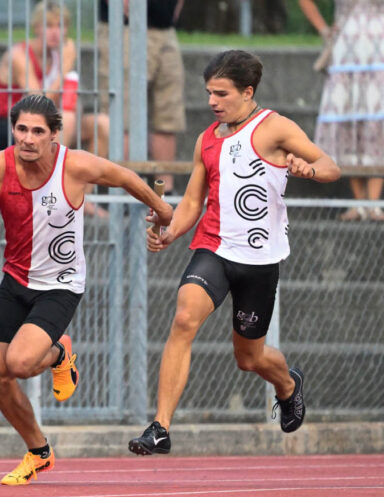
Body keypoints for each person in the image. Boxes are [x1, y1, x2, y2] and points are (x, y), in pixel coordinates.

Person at [0, 94, 172, 486]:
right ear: (12, 130)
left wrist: (163, 211)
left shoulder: (74, 165)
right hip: (15, 281)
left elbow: (126, 178)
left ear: (53, 135)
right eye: (21, 130)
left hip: (60, 286)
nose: (28, 139)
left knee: (18, 363)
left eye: (37, 131)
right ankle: (38, 451)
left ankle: (59, 351)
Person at [128, 50, 340, 456]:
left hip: (259, 261)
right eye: (209, 92)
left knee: (249, 357)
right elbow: (192, 201)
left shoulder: (275, 127)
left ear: (248, 92)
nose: (212, 102)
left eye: (221, 93)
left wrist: (307, 169)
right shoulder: (207, 139)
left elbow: (330, 166)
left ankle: (288, 384)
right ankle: (160, 427)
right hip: (215, 247)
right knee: (184, 316)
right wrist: (170, 233)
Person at [298, 0, 384, 221]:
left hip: (379, 47)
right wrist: (324, 29)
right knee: (349, 119)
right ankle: (358, 203)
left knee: (377, 121)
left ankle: (373, 204)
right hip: (347, 47)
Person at [0, 2, 109, 161]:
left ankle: (82, 187)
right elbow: (39, 104)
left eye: (61, 26)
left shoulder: (57, 55)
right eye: (49, 26)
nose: (56, 32)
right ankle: (51, 181)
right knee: (65, 119)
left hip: (47, 125)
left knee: (102, 124)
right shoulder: (19, 55)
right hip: (13, 126)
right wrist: (64, 69)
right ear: (37, 28)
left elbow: (70, 102)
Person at [97, 0, 185, 193]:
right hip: (124, 27)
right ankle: (124, 190)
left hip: (165, 28)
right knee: (123, 117)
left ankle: (164, 191)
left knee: (167, 116)